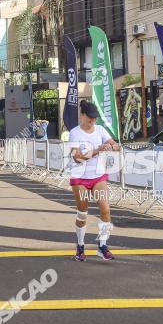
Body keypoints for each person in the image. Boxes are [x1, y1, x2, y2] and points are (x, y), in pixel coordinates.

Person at [68, 100, 120, 262]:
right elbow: (77, 158)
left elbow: (115, 144)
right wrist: (98, 149)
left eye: (95, 119)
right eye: (89, 119)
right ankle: (80, 246)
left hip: (98, 175)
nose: (92, 122)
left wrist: (113, 146)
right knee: (83, 213)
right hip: (80, 177)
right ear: (81, 115)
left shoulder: (100, 129)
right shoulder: (74, 133)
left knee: (105, 210)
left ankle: (102, 246)